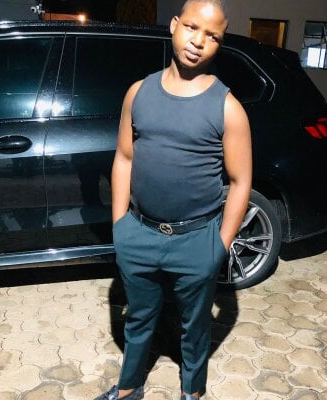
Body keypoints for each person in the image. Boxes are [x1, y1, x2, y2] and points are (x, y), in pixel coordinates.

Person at [95, 0, 252, 399]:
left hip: (197, 239)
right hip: (139, 232)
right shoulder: (138, 92)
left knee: (194, 326)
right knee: (138, 318)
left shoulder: (228, 108)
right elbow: (124, 158)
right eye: (192, 27)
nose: (198, 41)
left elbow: (240, 182)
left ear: (220, 43)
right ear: (174, 25)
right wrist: (120, 226)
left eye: (212, 36)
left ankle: (192, 391)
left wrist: (219, 246)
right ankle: (129, 387)